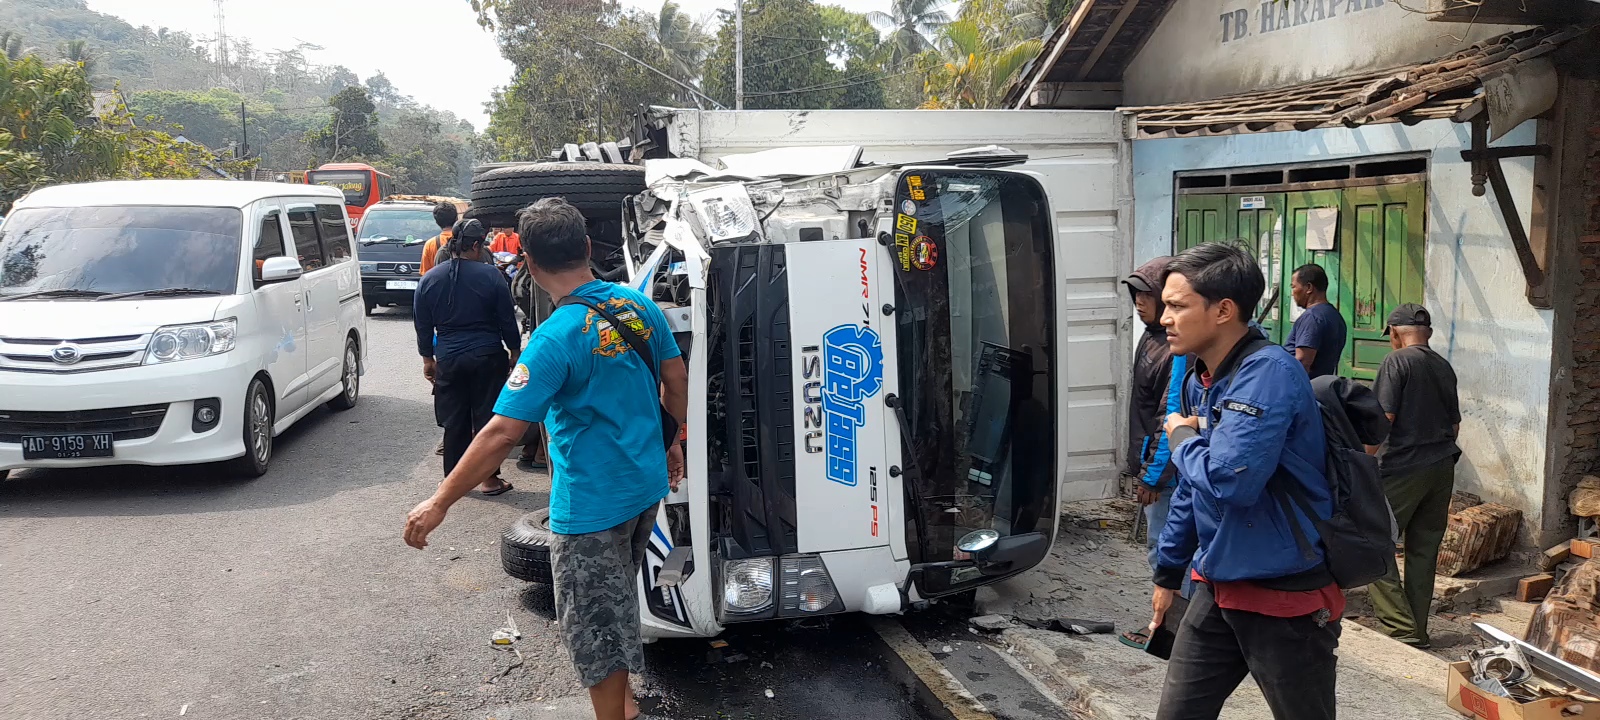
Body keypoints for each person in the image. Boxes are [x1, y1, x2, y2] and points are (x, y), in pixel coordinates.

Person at [405, 197, 688, 720]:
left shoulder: (553, 340)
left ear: (529, 265)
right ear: (585, 248)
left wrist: (439, 501)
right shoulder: (638, 305)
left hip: (591, 508)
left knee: (593, 628)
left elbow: (501, 433)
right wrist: (672, 439)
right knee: (617, 597)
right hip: (644, 489)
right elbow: (674, 382)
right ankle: (625, 707)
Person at [1150, 243, 1340, 720]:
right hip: (1217, 584)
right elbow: (1192, 489)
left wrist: (1180, 439)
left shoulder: (1269, 373)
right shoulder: (1203, 378)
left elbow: (1230, 481)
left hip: (1284, 594)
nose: (1163, 319)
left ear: (1223, 310)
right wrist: (1168, 571)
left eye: (1176, 306)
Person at [1369, 303, 1460, 649]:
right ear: (1429, 333)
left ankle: (1401, 629)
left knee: (1374, 541)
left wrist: (1361, 464)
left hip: (1403, 467)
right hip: (1442, 466)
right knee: (1423, 552)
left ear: (1394, 332)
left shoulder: (1397, 361)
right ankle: (1417, 631)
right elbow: (1454, 425)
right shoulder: (1443, 365)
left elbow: (1384, 418)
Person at [413, 218, 521, 496]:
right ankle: (489, 480)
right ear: (475, 245)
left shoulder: (429, 279)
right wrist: (514, 350)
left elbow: (423, 325)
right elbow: (507, 319)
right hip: (487, 356)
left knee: (454, 421)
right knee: (486, 419)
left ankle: (452, 481)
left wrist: (428, 359)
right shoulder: (491, 276)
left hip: (449, 358)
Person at [1121, 257, 1188, 570]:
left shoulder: (1177, 347)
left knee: (1166, 552)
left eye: (1146, 295)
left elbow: (1170, 413)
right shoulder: (1151, 336)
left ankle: (1174, 620)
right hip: (1153, 463)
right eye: (1135, 294)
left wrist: (1152, 476)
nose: (1138, 301)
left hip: (1167, 475)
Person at [1284, 263, 1347, 378]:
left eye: (1293, 287)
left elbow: (1303, 362)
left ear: (1309, 288)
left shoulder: (1312, 317)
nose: (1292, 293)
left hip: (1305, 389)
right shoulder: (1334, 315)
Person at [419, 201, 458, 275]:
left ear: (437, 222)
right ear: (456, 218)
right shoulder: (465, 239)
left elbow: (425, 274)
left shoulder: (430, 244)